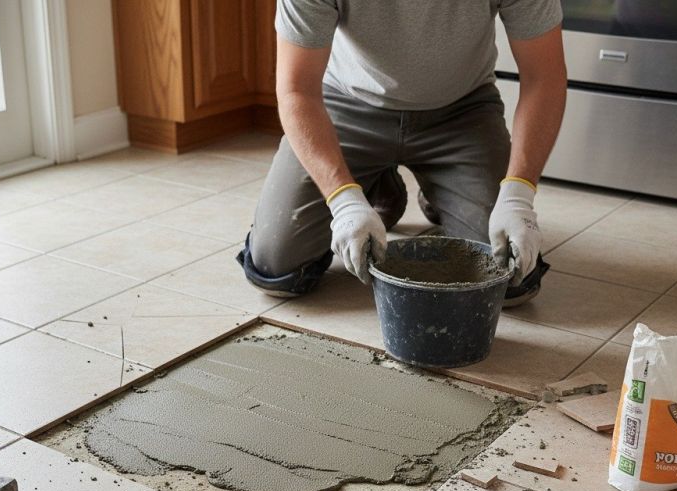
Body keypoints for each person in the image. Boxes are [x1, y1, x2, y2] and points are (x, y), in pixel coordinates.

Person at [237, 0, 567, 307]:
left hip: (461, 113)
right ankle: (376, 186)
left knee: (509, 279)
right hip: (348, 105)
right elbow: (297, 89)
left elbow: (544, 77)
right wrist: (343, 199)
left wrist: (518, 196)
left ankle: (443, 189)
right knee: (274, 266)